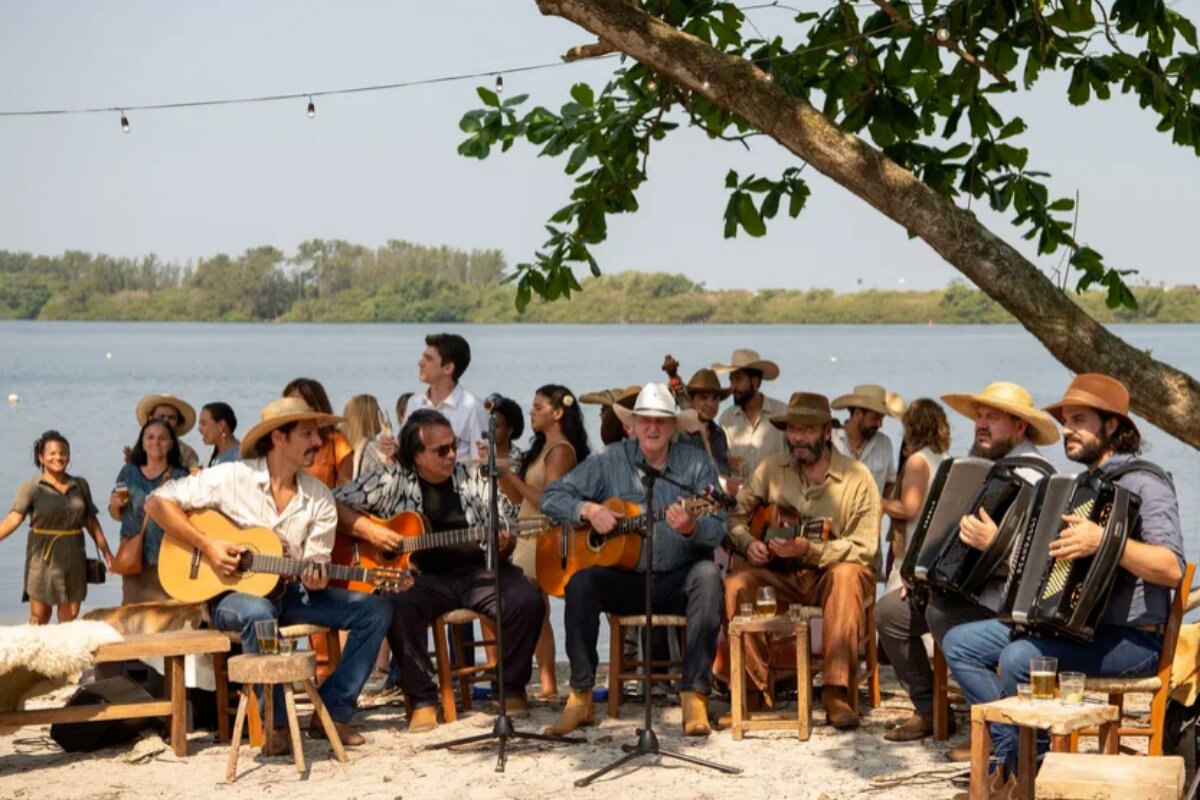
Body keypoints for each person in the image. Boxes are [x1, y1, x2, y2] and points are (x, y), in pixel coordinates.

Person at [942, 374, 1184, 799]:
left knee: (1020, 658)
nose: (1068, 430)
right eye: (1066, 420)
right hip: (1070, 628)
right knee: (961, 642)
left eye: (1079, 420)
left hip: (1130, 639)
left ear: (1111, 426)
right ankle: (1018, 759)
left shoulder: (1147, 482)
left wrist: (1105, 542)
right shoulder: (1076, 486)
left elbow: (1171, 568)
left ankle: (1023, 778)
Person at [146, 398, 392, 752]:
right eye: (307, 434)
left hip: (287, 592)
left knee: (376, 610)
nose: (318, 443)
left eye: (317, 435)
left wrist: (316, 575)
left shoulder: (319, 497)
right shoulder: (232, 477)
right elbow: (156, 502)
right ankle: (276, 725)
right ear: (279, 438)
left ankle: (332, 711)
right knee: (260, 614)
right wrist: (210, 547)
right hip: (229, 596)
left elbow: (315, 560)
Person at [334, 409, 544, 734]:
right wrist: (370, 532)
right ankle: (422, 700)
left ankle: (510, 687)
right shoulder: (392, 479)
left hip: (479, 571)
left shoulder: (474, 478)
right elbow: (333, 503)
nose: (451, 455)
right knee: (395, 603)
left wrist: (506, 538)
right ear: (416, 455)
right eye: (440, 450)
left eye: (454, 446)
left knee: (527, 598)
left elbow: (506, 517)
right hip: (422, 578)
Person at [874, 381, 1057, 748]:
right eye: (978, 417)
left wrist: (996, 546)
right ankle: (930, 709)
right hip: (971, 593)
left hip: (1007, 606)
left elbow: (1041, 557)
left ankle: (995, 729)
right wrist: (924, 573)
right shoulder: (983, 467)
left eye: (993, 418)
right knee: (888, 613)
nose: (981, 425)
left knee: (941, 614)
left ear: (1020, 426)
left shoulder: (1037, 477)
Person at [540, 383, 725, 737]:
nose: (652, 428)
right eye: (645, 421)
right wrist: (589, 510)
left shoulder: (697, 464)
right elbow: (552, 496)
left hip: (677, 577)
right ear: (632, 425)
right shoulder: (609, 460)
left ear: (673, 426)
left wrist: (690, 528)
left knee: (708, 576)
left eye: (660, 421)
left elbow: (717, 530)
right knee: (580, 583)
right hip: (626, 578)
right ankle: (580, 696)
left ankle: (694, 696)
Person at [722, 393, 881, 729]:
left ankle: (835, 692)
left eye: (807, 430)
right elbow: (734, 516)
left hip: (831, 576)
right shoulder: (770, 468)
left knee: (847, 576)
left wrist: (810, 552)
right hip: (782, 576)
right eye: (793, 429)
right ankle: (752, 689)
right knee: (737, 583)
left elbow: (865, 548)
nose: (798, 438)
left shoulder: (858, 477)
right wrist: (749, 543)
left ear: (826, 432)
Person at [493, 385, 591, 700]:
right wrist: (501, 474)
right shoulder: (542, 448)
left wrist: (511, 476)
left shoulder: (561, 450)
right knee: (534, 611)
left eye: (538, 407)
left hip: (542, 536)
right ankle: (545, 682)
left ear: (558, 413)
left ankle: (548, 683)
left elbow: (550, 501)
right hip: (525, 533)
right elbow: (519, 497)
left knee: (535, 609)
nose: (531, 412)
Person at [0, 431, 113, 624]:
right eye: (52, 453)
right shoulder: (31, 487)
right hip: (42, 557)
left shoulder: (80, 485)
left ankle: (65, 655)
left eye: (63, 453)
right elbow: (13, 519)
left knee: (70, 615)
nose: (58, 457)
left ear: (68, 457)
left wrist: (107, 553)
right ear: (41, 457)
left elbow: (91, 522)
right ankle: (36, 653)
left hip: (74, 555)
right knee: (40, 616)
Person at [109, 419, 189, 603]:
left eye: (162, 438)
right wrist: (114, 506)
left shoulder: (180, 475)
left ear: (170, 444)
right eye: (150, 437)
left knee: (169, 615)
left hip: (169, 557)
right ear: (143, 443)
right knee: (132, 616)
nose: (155, 442)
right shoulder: (128, 472)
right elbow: (117, 516)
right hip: (134, 558)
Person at [401, 333, 488, 462]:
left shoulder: (474, 408)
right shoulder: (414, 402)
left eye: (428, 359)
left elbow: (483, 463)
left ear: (448, 368)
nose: (420, 363)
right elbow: (404, 450)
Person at [712, 349, 787, 493]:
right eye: (731, 380)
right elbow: (722, 466)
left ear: (755, 381)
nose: (733, 387)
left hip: (775, 502)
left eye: (738, 380)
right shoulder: (726, 419)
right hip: (739, 503)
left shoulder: (781, 413)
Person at [831, 384, 902, 497]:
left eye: (882, 419)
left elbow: (890, 481)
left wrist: (882, 506)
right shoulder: (831, 441)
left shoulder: (884, 444)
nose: (880, 424)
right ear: (858, 414)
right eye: (875, 418)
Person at [283, 377, 353, 487]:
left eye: (301, 406)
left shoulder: (337, 443)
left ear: (317, 408)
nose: (296, 411)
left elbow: (346, 490)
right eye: (290, 406)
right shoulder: (279, 442)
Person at [682, 368, 731, 477]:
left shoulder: (719, 434)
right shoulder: (678, 432)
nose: (711, 404)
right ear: (690, 400)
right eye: (703, 398)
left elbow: (723, 473)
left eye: (715, 398)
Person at [132, 394, 201, 470]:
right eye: (161, 416)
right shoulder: (142, 447)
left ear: (178, 422)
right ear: (151, 419)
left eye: (171, 417)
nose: (166, 421)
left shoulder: (188, 454)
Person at [342, 394, 391, 479]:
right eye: (378, 411)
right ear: (370, 417)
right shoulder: (375, 449)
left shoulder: (343, 448)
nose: (382, 415)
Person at [488, 395, 525, 469]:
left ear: (509, 431)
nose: (489, 429)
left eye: (495, 426)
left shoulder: (522, 461)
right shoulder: (475, 455)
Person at [198, 402, 240, 467]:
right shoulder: (219, 455)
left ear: (221, 426)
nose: (199, 429)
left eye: (204, 423)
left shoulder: (238, 456)